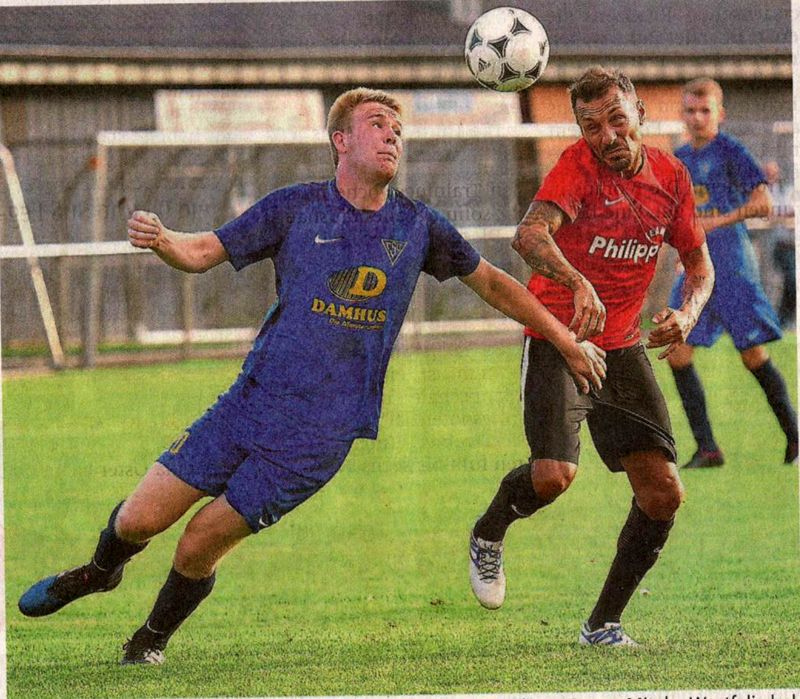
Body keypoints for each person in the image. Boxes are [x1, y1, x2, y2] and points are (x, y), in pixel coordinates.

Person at [17, 87, 607, 666]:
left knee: (198, 542)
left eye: (398, 130)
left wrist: (564, 339)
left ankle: (148, 640)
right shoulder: (295, 207)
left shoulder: (418, 225)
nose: (392, 137)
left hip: (318, 436)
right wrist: (164, 240)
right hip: (247, 404)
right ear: (340, 140)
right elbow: (202, 252)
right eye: (378, 125)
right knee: (136, 520)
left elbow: (496, 284)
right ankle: (100, 572)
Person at [469, 67, 715, 647]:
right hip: (560, 337)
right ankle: (488, 533)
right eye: (591, 126)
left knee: (664, 493)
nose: (606, 136)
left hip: (623, 345)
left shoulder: (672, 177)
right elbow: (529, 235)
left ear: (640, 116)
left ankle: (602, 625)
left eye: (616, 120)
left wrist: (687, 315)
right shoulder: (576, 168)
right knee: (554, 477)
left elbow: (700, 267)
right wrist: (578, 282)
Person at [666, 79, 798, 469]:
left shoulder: (731, 151)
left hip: (732, 267)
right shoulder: (679, 158)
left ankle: (795, 437)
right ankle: (707, 448)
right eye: (690, 110)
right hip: (696, 270)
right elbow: (680, 215)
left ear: (719, 114)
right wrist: (682, 248)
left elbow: (763, 203)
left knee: (752, 355)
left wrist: (716, 222)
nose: (697, 118)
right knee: (676, 352)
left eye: (705, 111)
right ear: (682, 114)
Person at [764, 160, 795, 329]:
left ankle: (784, 320)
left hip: (791, 244)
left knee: (791, 283)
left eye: (773, 171)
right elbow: (768, 213)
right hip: (779, 244)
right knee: (786, 281)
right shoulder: (763, 191)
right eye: (768, 172)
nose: (771, 175)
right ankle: (780, 320)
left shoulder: (788, 189)